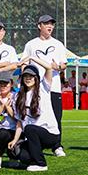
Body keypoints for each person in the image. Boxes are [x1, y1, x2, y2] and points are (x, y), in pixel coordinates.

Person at [21, 15, 68, 157]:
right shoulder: (31, 44)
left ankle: (57, 146)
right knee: (33, 115)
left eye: (52, 24)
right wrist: (25, 78)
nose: (50, 26)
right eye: (47, 24)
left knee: (56, 117)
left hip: (53, 87)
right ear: (39, 26)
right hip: (34, 89)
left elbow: (64, 65)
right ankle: (34, 143)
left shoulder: (58, 44)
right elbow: (24, 63)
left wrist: (57, 66)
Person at [9, 56, 61, 172]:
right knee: (24, 157)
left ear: (36, 78)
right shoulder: (18, 96)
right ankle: (34, 158)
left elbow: (49, 68)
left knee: (30, 128)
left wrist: (31, 57)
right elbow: (20, 121)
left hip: (50, 134)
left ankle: (41, 163)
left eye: (31, 76)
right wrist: (15, 140)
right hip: (33, 135)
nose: (28, 78)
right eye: (25, 76)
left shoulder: (43, 88)